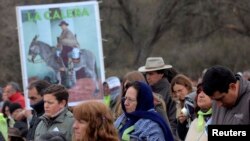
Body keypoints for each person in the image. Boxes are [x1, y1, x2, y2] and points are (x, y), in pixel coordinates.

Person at [138, 57, 177, 139]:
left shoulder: (170, 91)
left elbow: (173, 122)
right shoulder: (146, 91)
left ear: (161, 74)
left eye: (151, 73)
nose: (148, 77)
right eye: (146, 74)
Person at [171, 74, 196, 140]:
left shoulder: (197, 99)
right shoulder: (179, 106)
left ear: (187, 87)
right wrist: (181, 122)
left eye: (180, 90)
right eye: (175, 92)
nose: (178, 94)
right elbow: (181, 135)